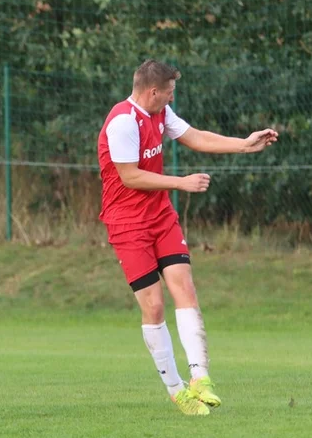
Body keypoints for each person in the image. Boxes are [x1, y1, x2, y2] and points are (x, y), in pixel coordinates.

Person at [97, 60, 277, 416]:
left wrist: (243, 145)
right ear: (153, 92)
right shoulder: (122, 122)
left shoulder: (161, 114)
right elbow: (130, 177)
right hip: (127, 224)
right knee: (154, 306)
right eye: (169, 91)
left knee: (185, 287)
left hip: (160, 216)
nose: (172, 95)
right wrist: (181, 182)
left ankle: (201, 377)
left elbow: (194, 137)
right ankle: (177, 390)